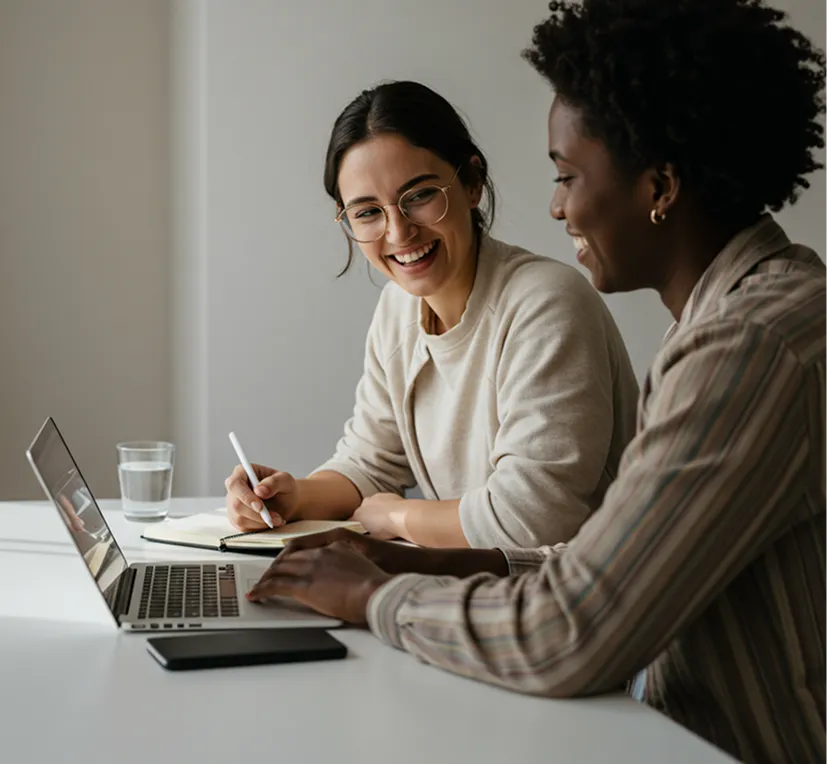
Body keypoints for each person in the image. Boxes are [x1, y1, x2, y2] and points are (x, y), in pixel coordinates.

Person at [243, 1, 827, 761]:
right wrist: (424, 559)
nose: (556, 206)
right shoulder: (747, 315)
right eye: (366, 212)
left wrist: (372, 594)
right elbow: (594, 567)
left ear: (659, 185)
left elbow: (571, 630)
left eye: (567, 176)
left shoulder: (743, 351)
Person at [225, 81, 639, 549]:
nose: (398, 232)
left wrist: (399, 516)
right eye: (368, 213)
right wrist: (293, 498)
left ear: (471, 183)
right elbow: (370, 463)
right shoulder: (398, 309)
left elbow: (533, 518)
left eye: (419, 196)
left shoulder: (547, 303)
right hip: (475, 588)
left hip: (577, 602)